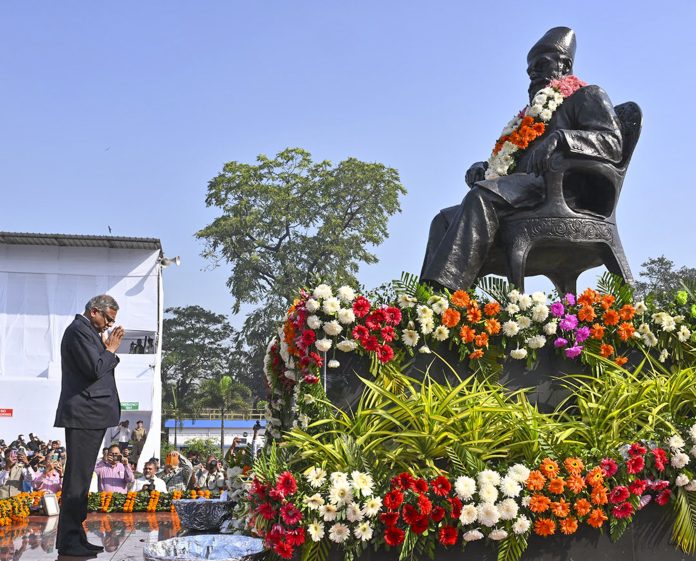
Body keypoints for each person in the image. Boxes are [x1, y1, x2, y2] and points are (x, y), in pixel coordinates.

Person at [420, 27, 623, 292]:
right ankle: (430, 301)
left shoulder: (588, 95)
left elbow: (613, 143)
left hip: (562, 191)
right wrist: (486, 168)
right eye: (530, 70)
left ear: (565, 65)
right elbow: (513, 160)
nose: (533, 74)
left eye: (541, 65)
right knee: (443, 220)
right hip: (523, 190)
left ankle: (444, 294)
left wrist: (562, 138)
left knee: (480, 197)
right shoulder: (530, 116)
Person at [54, 294, 125, 556]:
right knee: (77, 480)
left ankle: (76, 535)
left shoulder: (88, 332)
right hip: (84, 414)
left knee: (82, 480)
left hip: (90, 415)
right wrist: (110, 349)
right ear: (94, 311)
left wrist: (105, 349)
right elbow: (94, 369)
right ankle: (69, 540)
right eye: (108, 318)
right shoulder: (78, 331)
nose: (110, 324)